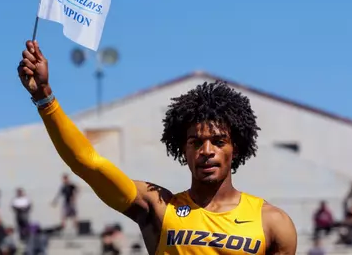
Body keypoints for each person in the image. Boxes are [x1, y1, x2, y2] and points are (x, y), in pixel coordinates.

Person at [17, 40, 297, 254]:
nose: (207, 150)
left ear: (235, 148)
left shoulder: (273, 223)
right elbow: (87, 162)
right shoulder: (158, 207)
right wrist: (44, 97)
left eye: (219, 141)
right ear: (183, 149)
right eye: (196, 142)